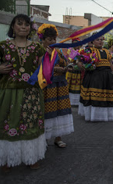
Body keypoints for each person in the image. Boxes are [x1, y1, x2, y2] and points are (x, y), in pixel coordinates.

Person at [0, 14, 47, 171]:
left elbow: (43, 69)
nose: (23, 27)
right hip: (8, 92)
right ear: (12, 26)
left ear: (30, 29)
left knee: (30, 124)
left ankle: (31, 157)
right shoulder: (2, 46)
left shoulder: (37, 47)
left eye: (27, 24)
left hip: (30, 93)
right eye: (19, 24)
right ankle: (6, 159)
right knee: (8, 123)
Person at [38, 24, 75, 148]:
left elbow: (64, 63)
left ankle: (58, 137)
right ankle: (44, 139)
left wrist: (67, 66)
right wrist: (60, 69)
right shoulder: (40, 51)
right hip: (47, 86)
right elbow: (43, 67)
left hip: (60, 85)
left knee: (60, 111)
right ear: (42, 40)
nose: (53, 41)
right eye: (49, 39)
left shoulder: (58, 51)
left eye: (54, 39)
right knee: (48, 112)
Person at [79, 34, 113, 122]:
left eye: (101, 39)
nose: (100, 41)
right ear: (92, 41)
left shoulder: (107, 51)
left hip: (107, 76)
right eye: (97, 40)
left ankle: (106, 115)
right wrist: (84, 66)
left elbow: (110, 63)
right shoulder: (89, 50)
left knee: (107, 95)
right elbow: (81, 62)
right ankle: (94, 115)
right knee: (95, 95)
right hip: (95, 76)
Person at [63, 38, 84, 106]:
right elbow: (67, 60)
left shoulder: (81, 51)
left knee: (78, 85)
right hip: (71, 71)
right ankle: (69, 101)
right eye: (74, 43)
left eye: (77, 43)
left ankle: (77, 102)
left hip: (78, 71)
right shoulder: (69, 50)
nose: (76, 44)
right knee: (69, 85)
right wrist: (71, 59)